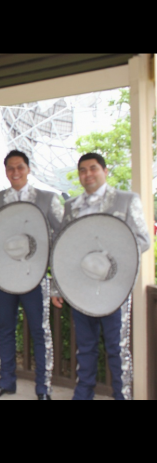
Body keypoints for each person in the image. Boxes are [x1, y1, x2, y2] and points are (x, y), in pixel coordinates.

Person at [51, 153, 150, 400]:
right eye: (82, 170)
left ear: (105, 171)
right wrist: (56, 288)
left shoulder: (127, 200)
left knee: (117, 348)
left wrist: (109, 259)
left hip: (114, 287)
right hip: (80, 286)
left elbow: (143, 240)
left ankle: (122, 396)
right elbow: (62, 248)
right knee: (85, 347)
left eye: (93, 168)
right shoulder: (70, 206)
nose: (87, 174)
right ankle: (83, 394)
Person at [0, 150, 63, 400]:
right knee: (4, 329)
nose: (15, 172)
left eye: (20, 167)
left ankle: (43, 388)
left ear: (28, 169)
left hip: (35, 277)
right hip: (3, 277)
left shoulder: (47, 199)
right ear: (6, 171)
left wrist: (57, 281)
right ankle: (6, 382)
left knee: (40, 331)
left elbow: (62, 238)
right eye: (10, 168)